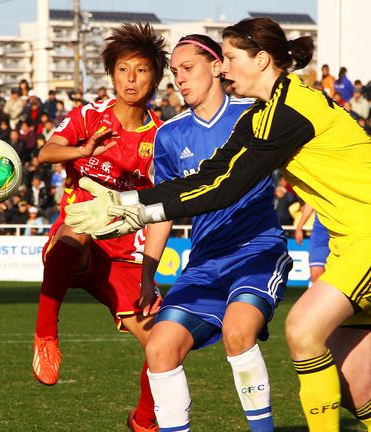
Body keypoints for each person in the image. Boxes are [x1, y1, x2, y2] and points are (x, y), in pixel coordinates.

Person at [67, 17, 371, 432]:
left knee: (302, 329)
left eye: (232, 58)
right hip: (355, 245)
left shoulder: (290, 109)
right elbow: (210, 175)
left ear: (261, 60)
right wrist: (127, 202)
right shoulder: (262, 116)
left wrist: (135, 209)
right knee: (354, 388)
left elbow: (224, 188)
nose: (225, 66)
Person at [130, 34, 291, 432]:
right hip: (205, 263)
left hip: (257, 250)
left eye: (188, 68)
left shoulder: (254, 115)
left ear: (218, 66)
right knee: (159, 348)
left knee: (238, 333)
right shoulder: (168, 135)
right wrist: (148, 276)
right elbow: (163, 211)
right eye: (174, 72)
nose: (179, 79)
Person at [31, 22, 168, 432]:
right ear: (112, 74)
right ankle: (45, 337)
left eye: (142, 70)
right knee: (79, 227)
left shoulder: (162, 138)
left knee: (165, 345)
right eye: (124, 69)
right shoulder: (90, 116)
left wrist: (148, 275)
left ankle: (143, 423)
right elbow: (44, 153)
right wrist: (81, 150)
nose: (131, 78)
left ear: (155, 78)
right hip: (76, 244)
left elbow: (162, 210)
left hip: (125, 255)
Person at [295, 204, 330, 283]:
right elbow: (310, 202)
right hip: (321, 232)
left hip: (347, 232)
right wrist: (299, 227)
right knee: (316, 275)